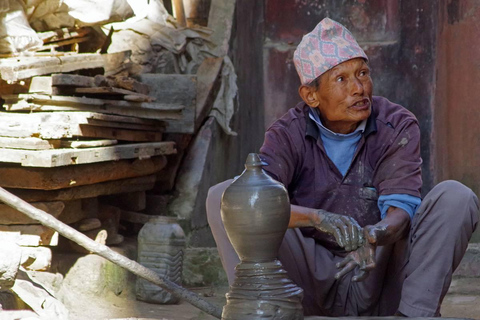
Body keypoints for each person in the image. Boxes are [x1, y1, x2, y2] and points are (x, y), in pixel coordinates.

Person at [206, 18, 479, 317]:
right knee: (228, 198)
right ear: (311, 96)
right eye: (341, 79)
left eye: (363, 73)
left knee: (457, 197)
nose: (359, 88)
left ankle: (412, 315)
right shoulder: (288, 133)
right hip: (309, 282)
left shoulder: (396, 124)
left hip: (379, 271)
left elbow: (401, 212)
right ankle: (260, 309)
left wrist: (374, 235)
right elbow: (256, 206)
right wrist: (317, 218)